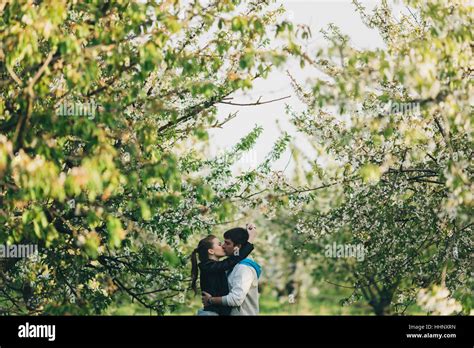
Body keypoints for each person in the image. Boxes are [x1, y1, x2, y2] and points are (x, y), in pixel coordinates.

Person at [191, 224, 257, 315]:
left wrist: (211, 300)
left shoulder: (243, 268)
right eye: (219, 244)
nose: (223, 246)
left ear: (237, 247)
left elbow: (233, 259)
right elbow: (233, 260)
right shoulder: (209, 266)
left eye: (227, 243)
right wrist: (250, 241)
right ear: (211, 251)